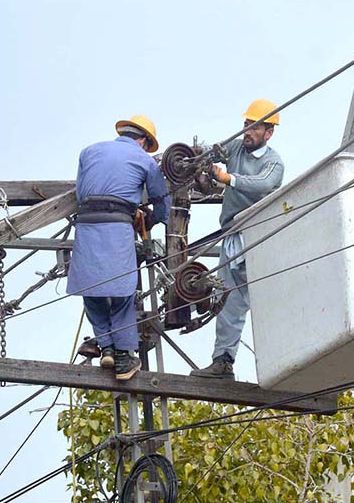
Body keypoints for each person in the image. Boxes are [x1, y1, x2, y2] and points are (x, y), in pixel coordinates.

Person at [67, 115, 170, 380]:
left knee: (91, 290)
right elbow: (162, 204)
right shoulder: (146, 161)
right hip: (117, 227)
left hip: (87, 225)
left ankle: (107, 348)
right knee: (124, 292)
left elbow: (80, 194)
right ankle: (125, 355)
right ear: (144, 140)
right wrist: (149, 219)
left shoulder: (88, 152)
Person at [191, 99, 285, 380]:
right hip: (233, 236)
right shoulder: (236, 148)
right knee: (228, 300)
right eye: (246, 125)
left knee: (267, 300)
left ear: (269, 133)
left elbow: (263, 185)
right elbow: (213, 153)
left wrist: (228, 178)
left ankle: (283, 361)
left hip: (258, 235)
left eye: (255, 127)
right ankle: (223, 361)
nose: (248, 132)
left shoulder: (273, 163)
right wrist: (200, 156)